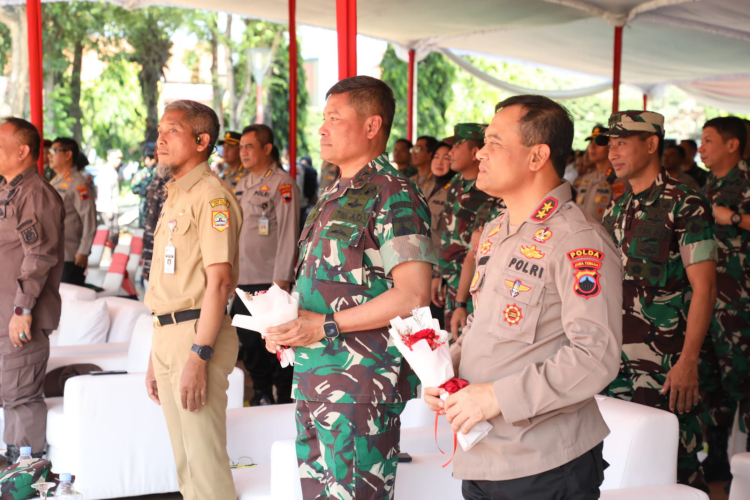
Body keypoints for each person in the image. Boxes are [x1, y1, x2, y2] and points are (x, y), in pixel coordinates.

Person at [424, 95, 622, 500]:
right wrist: (447, 368)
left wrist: (496, 397)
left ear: (537, 156)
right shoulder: (498, 229)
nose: (480, 153)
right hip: (484, 451)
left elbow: (595, 356)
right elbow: (485, 322)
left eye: (494, 143)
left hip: (544, 462)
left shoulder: (578, 240)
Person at [264, 76, 436, 500]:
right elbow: (322, 284)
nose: (322, 129)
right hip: (314, 377)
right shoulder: (333, 193)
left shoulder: (395, 195)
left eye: (335, 119)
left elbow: (413, 295)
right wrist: (286, 327)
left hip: (361, 388)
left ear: (372, 126)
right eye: (323, 118)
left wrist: (324, 325)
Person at [599, 111, 717, 493]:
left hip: (666, 365)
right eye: (610, 144)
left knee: (674, 464)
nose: (613, 153)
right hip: (616, 362)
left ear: (651, 144)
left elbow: (705, 288)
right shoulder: (617, 209)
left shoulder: (686, 203)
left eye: (622, 143)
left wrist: (688, 362)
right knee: (622, 462)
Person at [144, 100, 242, 500]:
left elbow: (218, 283)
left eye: (173, 130)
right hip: (168, 333)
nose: (161, 139)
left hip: (198, 335)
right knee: (185, 464)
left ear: (201, 141)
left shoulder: (211, 196)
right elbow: (168, 284)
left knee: (205, 464)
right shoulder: (175, 194)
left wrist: (199, 356)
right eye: (160, 131)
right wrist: (154, 357)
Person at [0, 117, 64, 464]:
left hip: (20, 318)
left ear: (22, 151)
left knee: (20, 398)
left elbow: (39, 255)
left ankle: (24, 478)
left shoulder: (35, 194)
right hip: (5, 316)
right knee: (8, 397)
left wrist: (22, 309)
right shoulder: (9, 189)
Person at [697, 116, 750, 481]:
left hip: (740, 302)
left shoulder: (745, 181)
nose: (701, 148)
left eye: (708, 140)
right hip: (709, 300)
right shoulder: (708, 184)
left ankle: (744, 466)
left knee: (742, 381)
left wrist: (730, 217)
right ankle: (716, 460)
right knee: (710, 382)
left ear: (732, 145)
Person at [231, 124, 300, 406]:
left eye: (249, 146)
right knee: (250, 343)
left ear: (267, 148)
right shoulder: (243, 183)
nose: (243, 152)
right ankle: (261, 394)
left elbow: (288, 233)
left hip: (270, 280)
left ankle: (283, 399)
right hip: (243, 278)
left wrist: (282, 279)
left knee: (277, 343)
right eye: (241, 147)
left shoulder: (282, 184)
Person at [433, 123, 504, 332]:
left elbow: (477, 250)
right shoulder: (457, 182)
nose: (450, 153)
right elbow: (447, 232)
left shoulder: (492, 192)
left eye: (457, 146)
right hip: (451, 282)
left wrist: (461, 302)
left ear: (475, 152)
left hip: (474, 291)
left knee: (468, 343)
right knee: (450, 343)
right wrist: (438, 274)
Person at [48, 137, 97, 286]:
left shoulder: (78, 184)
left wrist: (83, 250)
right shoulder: (54, 181)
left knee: (70, 297)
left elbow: (89, 219)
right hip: (53, 253)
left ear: (68, 155)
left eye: (54, 151)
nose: (49, 155)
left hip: (70, 255)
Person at [575, 124, 616, 221]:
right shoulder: (586, 178)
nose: (592, 147)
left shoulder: (617, 178)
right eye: (591, 142)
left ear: (610, 146)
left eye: (598, 142)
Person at [96, 148, 121, 246]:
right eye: (116, 158)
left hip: (111, 208)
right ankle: (109, 254)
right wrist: (108, 209)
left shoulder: (112, 170)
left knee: (114, 235)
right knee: (110, 235)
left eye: (120, 158)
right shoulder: (107, 171)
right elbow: (105, 191)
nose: (119, 160)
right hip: (107, 209)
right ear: (109, 157)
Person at [131, 149, 158, 228]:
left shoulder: (160, 173)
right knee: (144, 228)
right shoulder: (141, 174)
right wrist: (146, 190)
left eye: (153, 158)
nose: (152, 160)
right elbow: (134, 189)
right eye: (150, 158)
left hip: (158, 207)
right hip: (145, 206)